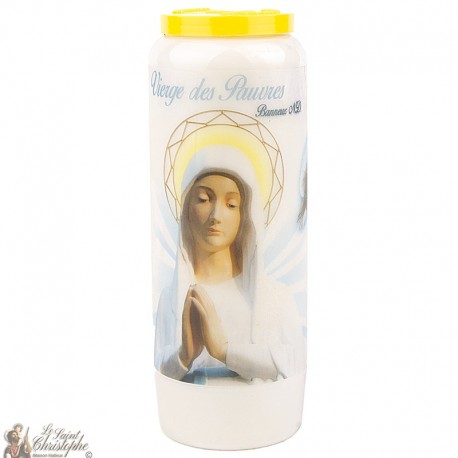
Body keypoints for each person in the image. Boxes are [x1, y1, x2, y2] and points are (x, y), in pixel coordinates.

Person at [155, 145, 305, 383]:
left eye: (231, 204)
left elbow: (294, 363)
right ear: (186, 210)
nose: (216, 215)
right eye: (203, 199)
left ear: (244, 214)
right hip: (190, 405)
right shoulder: (171, 298)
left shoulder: (277, 297)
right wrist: (183, 355)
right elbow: (160, 367)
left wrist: (225, 351)